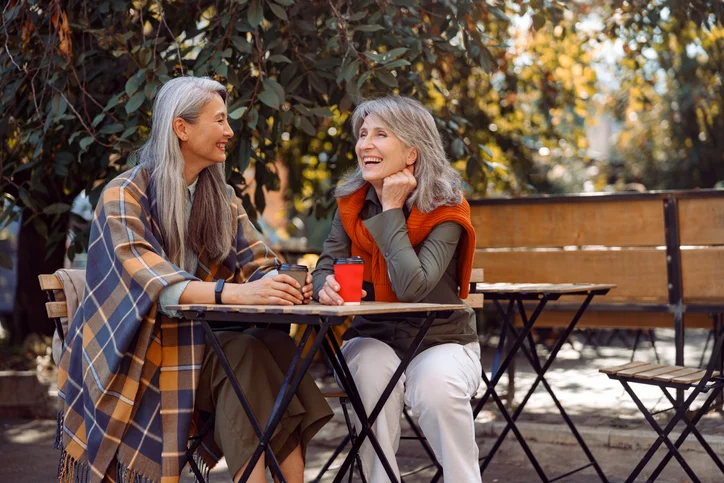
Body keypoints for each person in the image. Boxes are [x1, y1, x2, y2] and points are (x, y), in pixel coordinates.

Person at [56, 76, 332, 483]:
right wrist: (238, 293)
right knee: (244, 358)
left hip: (199, 349)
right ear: (181, 128)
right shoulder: (124, 194)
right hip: (137, 359)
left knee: (272, 347)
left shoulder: (219, 198)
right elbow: (157, 284)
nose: (229, 131)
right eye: (219, 120)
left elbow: (258, 262)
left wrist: (286, 282)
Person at [313, 96, 482, 482]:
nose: (365, 144)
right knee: (368, 372)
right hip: (373, 336)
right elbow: (326, 266)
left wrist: (391, 211)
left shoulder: (446, 208)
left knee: (437, 386)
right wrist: (326, 287)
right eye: (362, 134)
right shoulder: (351, 204)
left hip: (443, 340)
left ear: (411, 152)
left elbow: (412, 287)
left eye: (380, 134)